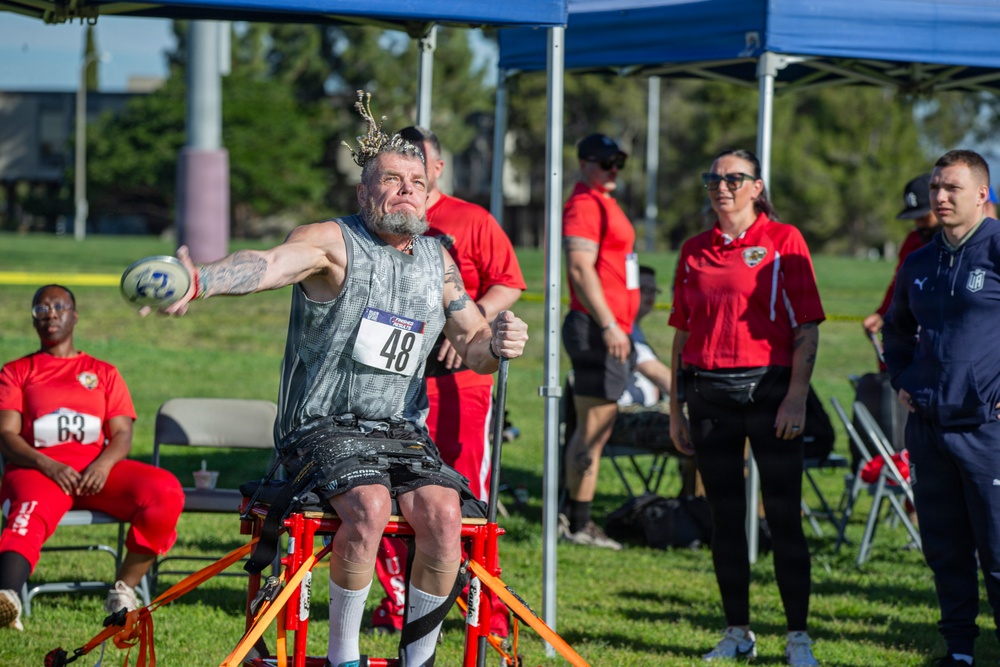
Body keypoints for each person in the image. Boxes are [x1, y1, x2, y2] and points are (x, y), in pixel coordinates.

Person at [155, 92, 529, 667]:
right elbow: (269, 264)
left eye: (415, 179)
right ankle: (344, 657)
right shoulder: (333, 241)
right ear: (363, 192)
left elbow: (474, 347)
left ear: (430, 193)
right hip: (321, 426)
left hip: (400, 429)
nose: (405, 187)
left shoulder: (439, 261)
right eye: (389, 179)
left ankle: (419, 660)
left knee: (444, 513)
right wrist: (199, 279)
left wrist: (499, 343)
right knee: (371, 505)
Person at [669, 149, 824, 666]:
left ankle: (797, 636)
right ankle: (737, 631)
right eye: (714, 178)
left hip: (770, 394)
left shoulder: (784, 241)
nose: (723, 187)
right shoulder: (694, 249)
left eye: (735, 178)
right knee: (725, 520)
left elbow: (807, 328)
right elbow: (682, 333)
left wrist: (797, 397)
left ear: (757, 187)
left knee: (782, 518)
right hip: (708, 395)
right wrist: (675, 408)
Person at [370, 125, 525, 637]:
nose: (411, 182)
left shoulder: (471, 220)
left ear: (437, 168)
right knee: (387, 497)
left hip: (461, 382)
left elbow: (510, 282)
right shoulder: (378, 223)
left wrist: (471, 326)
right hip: (393, 387)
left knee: (463, 502)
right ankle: (399, 602)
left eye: (421, 167)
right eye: (397, 172)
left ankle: (484, 607)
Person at [0, 285, 184, 632]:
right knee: (28, 511)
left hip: (96, 471)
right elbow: (7, 437)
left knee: (165, 491)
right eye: (41, 308)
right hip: (39, 469)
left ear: (74, 315)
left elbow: (122, 433)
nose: (50, 313)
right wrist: (46, 464)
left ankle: (123, 590)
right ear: (33, 319)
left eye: (58, 306)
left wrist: (103, 464)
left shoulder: (102, 372)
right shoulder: (16, 371)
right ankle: (7, 597)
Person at [883, 149, 1000, 667]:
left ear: (982, 194)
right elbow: (896, 327)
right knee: (945, 550)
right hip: (929, 429)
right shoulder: (920, 260)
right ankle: (958, 651)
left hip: (986, 431)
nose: (940, 197)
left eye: (951, 188)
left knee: (998, 552)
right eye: (935, 188)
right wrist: (904, 379)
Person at [559, 133, 640, 551]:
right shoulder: (585, 204)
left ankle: (574, 515)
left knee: (594, 426)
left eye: (618, 163)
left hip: (607, 326)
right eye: (606, 163)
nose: (613, 171)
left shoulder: (601, 201)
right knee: (593, 427)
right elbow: (578, 267)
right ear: (585, 163)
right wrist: (609, 323)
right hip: (596, 327)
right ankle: (579, 520)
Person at [862, 174, 940, 338]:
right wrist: (882, 313)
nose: (919, 224)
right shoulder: (912, 241)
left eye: (924, 216)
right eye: (915, 218)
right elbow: (900, 283)